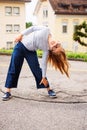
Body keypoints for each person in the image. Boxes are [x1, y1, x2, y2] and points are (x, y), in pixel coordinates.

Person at [2, 25, 69, 101]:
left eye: (54, 48)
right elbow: (33, 28)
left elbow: (44, 64)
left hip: (30, 52)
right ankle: (8, 91)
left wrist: (43, 77)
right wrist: (21, 34)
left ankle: (49, 89)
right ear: (58, 42)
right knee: (14, 67)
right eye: (57, 45)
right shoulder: (46, 30)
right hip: (20, 46)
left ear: (51, 50)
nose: (54, 45)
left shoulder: (46, 49)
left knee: (37, 70)